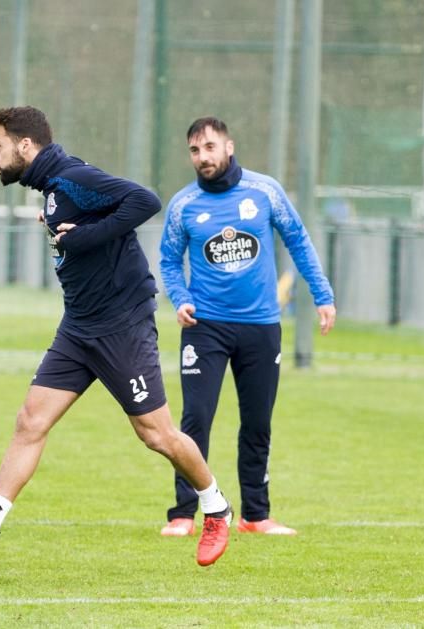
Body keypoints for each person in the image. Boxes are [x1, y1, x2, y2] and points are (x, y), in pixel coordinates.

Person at [0, 106, 233, 567]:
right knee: (30, 420)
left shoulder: (72, 175)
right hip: (79, 327)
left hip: (121, 325)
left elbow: (145, 201)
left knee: (156, 434)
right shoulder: (53, 188)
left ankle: (215, 508)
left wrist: (83, 236)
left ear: (25, 146)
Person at [158, 116, 336, 537]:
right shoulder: (184, 205)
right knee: (195, 420)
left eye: (210, 147)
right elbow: (167, 260)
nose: (203, 157)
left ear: (229, 147)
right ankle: (184, 513)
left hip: (260, 326)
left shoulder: (264, 191)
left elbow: (298, 239)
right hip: (205, 328)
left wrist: (322, 294)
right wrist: (180, 299)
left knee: (257, 423)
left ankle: (256, 515)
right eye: (195, 150)